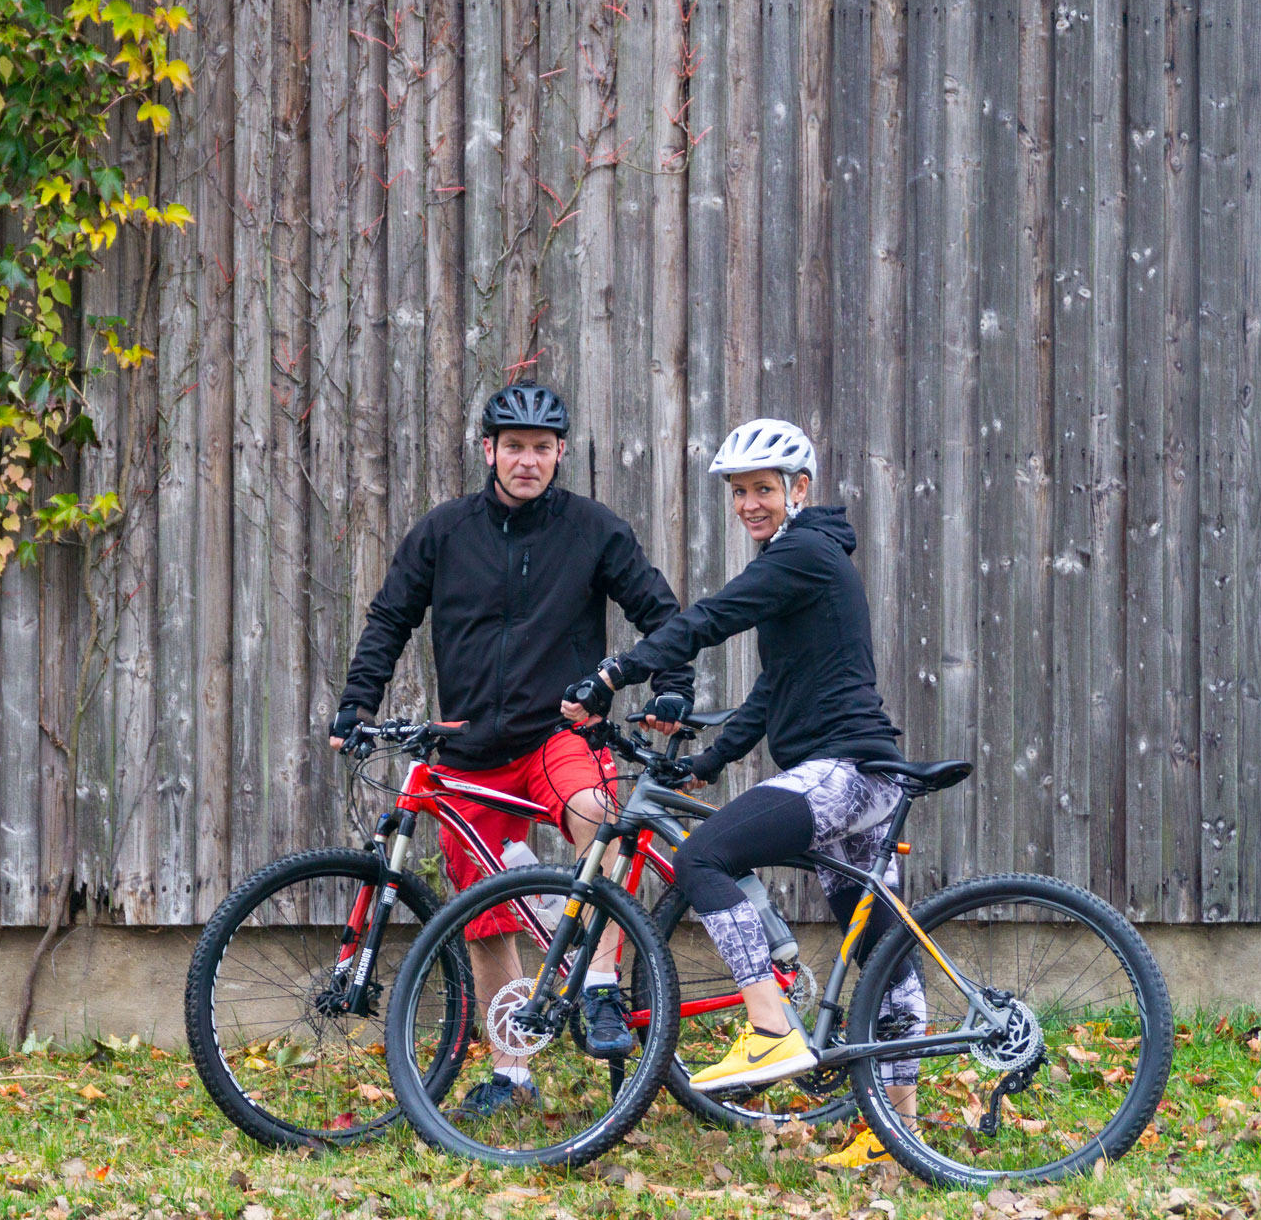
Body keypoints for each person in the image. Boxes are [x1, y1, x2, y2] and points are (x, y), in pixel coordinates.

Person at [561, 417, 923, 1170]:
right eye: (740, 492)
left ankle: (768, 1025)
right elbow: (773, 689)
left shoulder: (804, 553)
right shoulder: (806, 562)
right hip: (864, 775)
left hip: (841, 772)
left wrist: (613, 674)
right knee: (884, 954)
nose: (751, 504)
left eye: (764, 489)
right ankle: (897, 1134)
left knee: (702, 858)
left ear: (800, 489)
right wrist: (713, 760)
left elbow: (709, 620)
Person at [331, 382, 694, 1120]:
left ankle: (597, 985)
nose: (527, 461)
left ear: (560, 454)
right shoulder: (443, 531)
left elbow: (662, 614)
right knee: (482, 915)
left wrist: (672, 689)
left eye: (541, 448)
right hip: (467, 750)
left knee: (598, 812)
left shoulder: (594, 529)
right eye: (514, 446)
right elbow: (390, 618)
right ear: (489, 450)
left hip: (555, 736)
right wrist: (356, 703)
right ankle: (512, 1073)